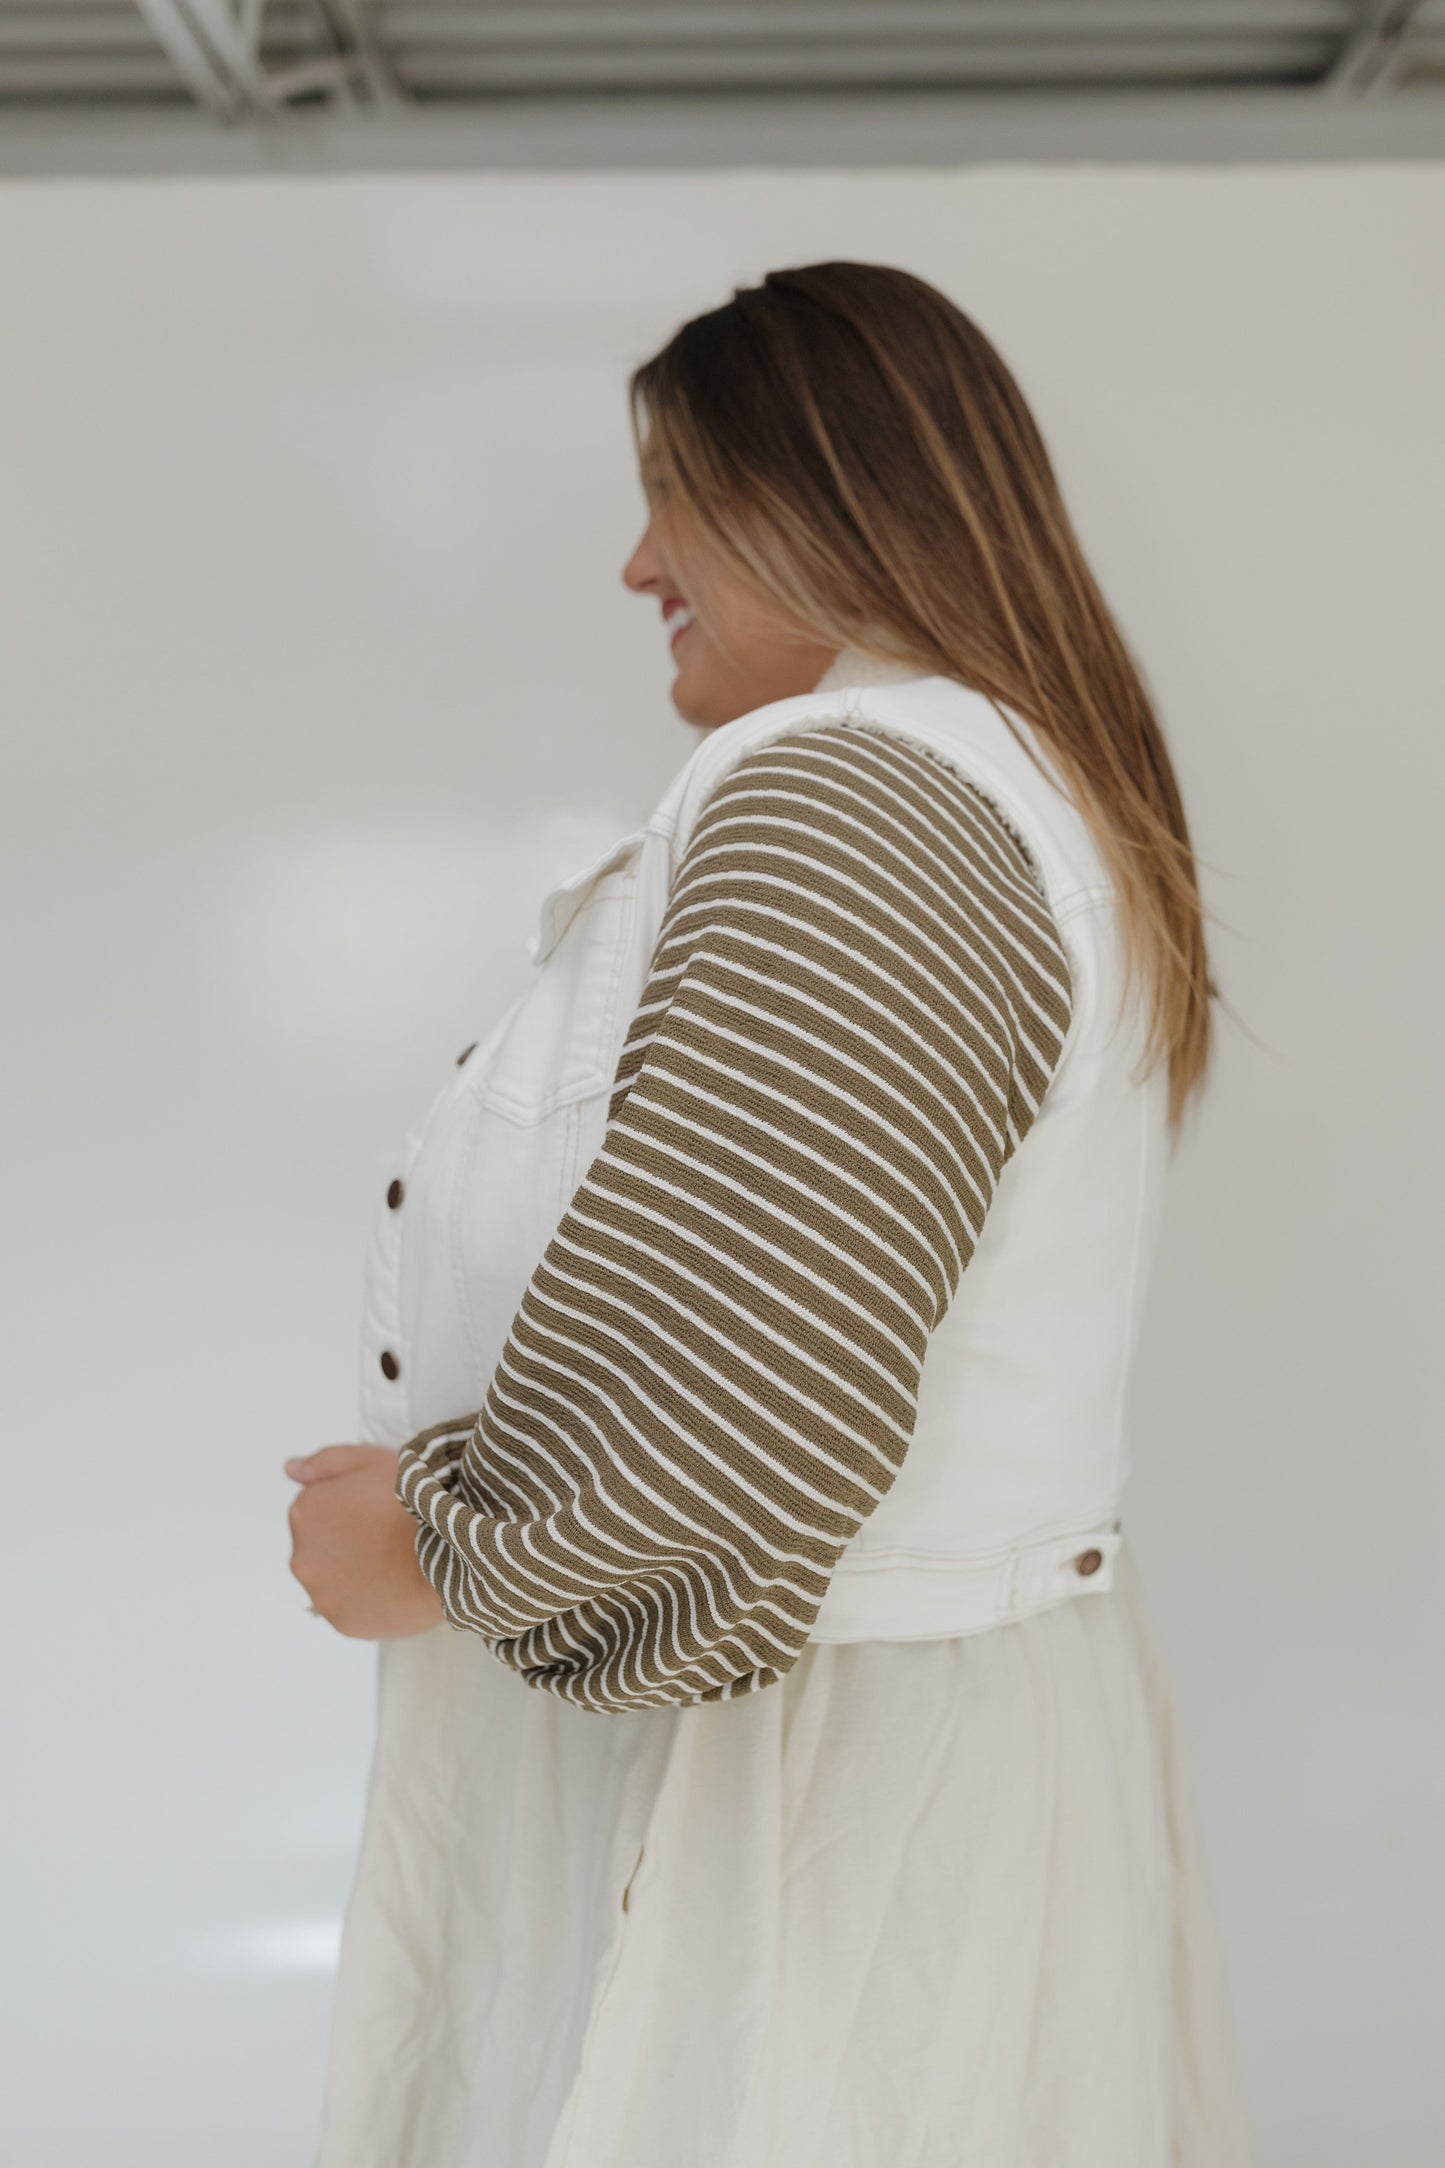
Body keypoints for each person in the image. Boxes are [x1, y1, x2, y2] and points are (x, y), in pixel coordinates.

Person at [286, 261, 1254, 2165]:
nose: (636, 564)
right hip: (875, 1777)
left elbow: (731, 1418)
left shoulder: (856, 795)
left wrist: (430, 1546)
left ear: (830, 501)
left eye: (676, 496)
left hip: (792, 1806)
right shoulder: (994, 788)